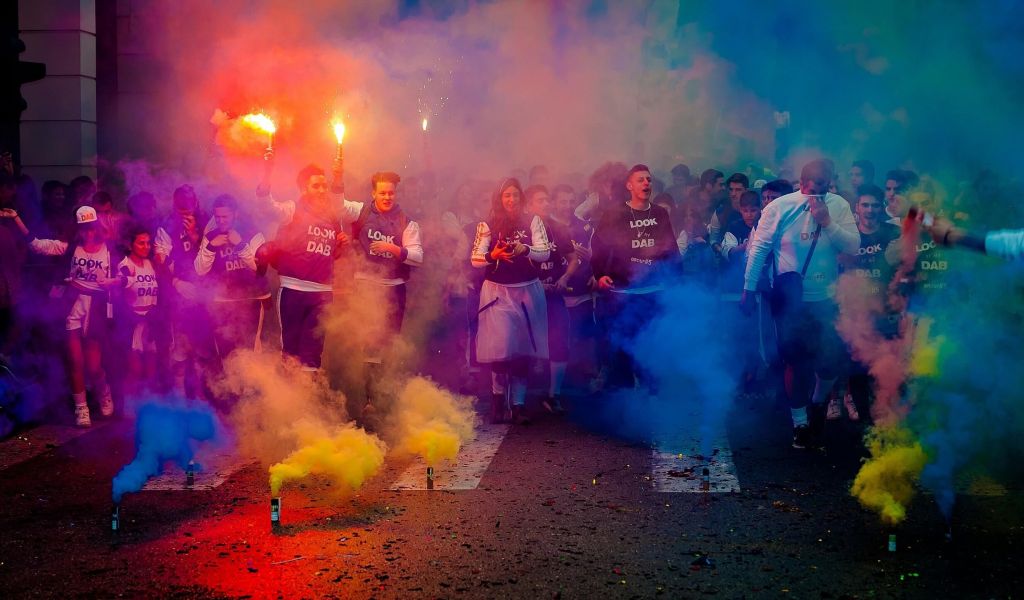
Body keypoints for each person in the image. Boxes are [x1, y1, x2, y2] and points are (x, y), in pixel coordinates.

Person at [740, 159, 860, 449]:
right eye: (815, 185)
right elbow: (759, 251)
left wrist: (827, 222)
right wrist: (748, 288)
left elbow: (853, 246)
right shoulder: (780, 207)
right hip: (791, 301)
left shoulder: (838, 205)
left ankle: (818, 404)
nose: (820, 191)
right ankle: (800, 424)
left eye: (826, 184)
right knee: (797, 363)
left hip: (826, 299)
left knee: (831, 361)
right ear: (804, 182)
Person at [258, 153, 361, 372]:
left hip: (323, 293)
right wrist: (267, 171)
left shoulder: (333, 217)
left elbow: (332, 255)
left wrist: (342, 245)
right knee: (291, 353)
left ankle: (309, 402)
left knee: (313, 353)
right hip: (293, 290)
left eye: (324, 186)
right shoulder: (292, 210)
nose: (323, 190)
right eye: (316, 186)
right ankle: (288, 402)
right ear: (304, 189)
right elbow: (268, 206)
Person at [24, 206, 124, 426]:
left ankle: (103, 390)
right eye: (84, 229)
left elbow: (125, 274)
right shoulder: (70, 247)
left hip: (96, 309)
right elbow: (38, 246)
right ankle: (81, 408)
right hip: (72, 306)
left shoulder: (109, 250)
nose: (88, 233)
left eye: (91, 228)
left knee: (93, 366)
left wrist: (113, 282)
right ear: (78, 228)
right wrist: (17, 221)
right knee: (75, 361)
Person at [591, 164, 685, 392]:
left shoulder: (660, 214)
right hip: (622, 294)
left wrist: (676, 280)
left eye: (649, 180)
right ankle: (622, 408)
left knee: (651, 347)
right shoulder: (615, 215)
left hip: (652, 292)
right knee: (622, 349)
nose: (646, 184)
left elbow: (671, 250)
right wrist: (600, 275)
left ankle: (650, 404)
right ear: (629, 185)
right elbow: (598, 248)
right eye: (641, 180)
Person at [471, 178, 550, 425]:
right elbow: (475, 259)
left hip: (527, 291)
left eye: (515, 195)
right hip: (497, 292)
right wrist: (491, 254)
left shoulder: (533, 221)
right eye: (507, 195)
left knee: (522, 350)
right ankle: (496, 401)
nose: (511, 200)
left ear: (521, 198)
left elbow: (545, 251)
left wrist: (524, 249)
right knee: (501, 348)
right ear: (500, 198)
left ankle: (517, 405)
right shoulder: (487, 225)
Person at [350, 171, 423, 415]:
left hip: (393, 289)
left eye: (391, 192)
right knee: (367, 342)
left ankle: (383, 397)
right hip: (366, 287)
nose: (387, 197)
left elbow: (417, 256)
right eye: (382, 192)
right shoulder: (360, 211)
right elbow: (335, 204)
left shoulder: (406, 221)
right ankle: (366, 398)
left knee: (388, 344)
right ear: (374, 193)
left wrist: (393, 248)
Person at [833, 184, 901, 421]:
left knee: (886, 368)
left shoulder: (893, 233)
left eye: (874, 205)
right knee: (857, 369)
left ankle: (887, 417)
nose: (870, 210)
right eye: (865, 205)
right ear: (857, 207)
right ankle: (864, 422)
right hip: (855, 313)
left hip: (886, 312)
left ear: (881, 207)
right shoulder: (846, 235)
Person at [194, 194, 271, 359]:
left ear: (235, 214)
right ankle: (231, 385)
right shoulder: (210, 236)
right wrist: (211, 248)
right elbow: (200, 270)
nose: (221, 220)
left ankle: (250, 385)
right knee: (226, 353)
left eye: (225, 216)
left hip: (250, 300)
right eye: (217, 216)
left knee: (251, 352)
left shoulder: (253, 233)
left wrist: (240, 245)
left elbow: (259, 267)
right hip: (222, 302)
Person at [155, 185, 215, 397]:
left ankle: (200, 395)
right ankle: (179, 395)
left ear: (196, 202)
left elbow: (213, 254)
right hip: (179, 292)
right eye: (181, 209)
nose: (186, 212)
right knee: (179, 346)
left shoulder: (207, 220)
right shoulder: (166, 225)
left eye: (189, 206)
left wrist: (194, 236)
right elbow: (159, 260)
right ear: (174, 205)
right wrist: (175, 282)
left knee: (202, 346)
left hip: (205, 291)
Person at [524, 184, 578, 414]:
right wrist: (534, 283)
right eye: (540, 200)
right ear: (529, 205)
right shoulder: (522, 229)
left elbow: (574, 258)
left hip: (555, 296)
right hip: (528, 297)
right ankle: (519, 399)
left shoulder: (558, 228)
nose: (546, 204)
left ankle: (553, 394)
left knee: (559, 341)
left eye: (547, 200)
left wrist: (565, 278)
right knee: (524, 345)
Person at [117, 224, 160, 397]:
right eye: (141, 243)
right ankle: (128, 408)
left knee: (151, 367)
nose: (146, 247)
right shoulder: (124, 265)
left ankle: (149, 404)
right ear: (130, 244)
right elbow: (120, 295)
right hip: (133, 323)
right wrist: (131, 316)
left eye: (148, 243)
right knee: (134, 369)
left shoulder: (150, 264)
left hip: (150, 322)